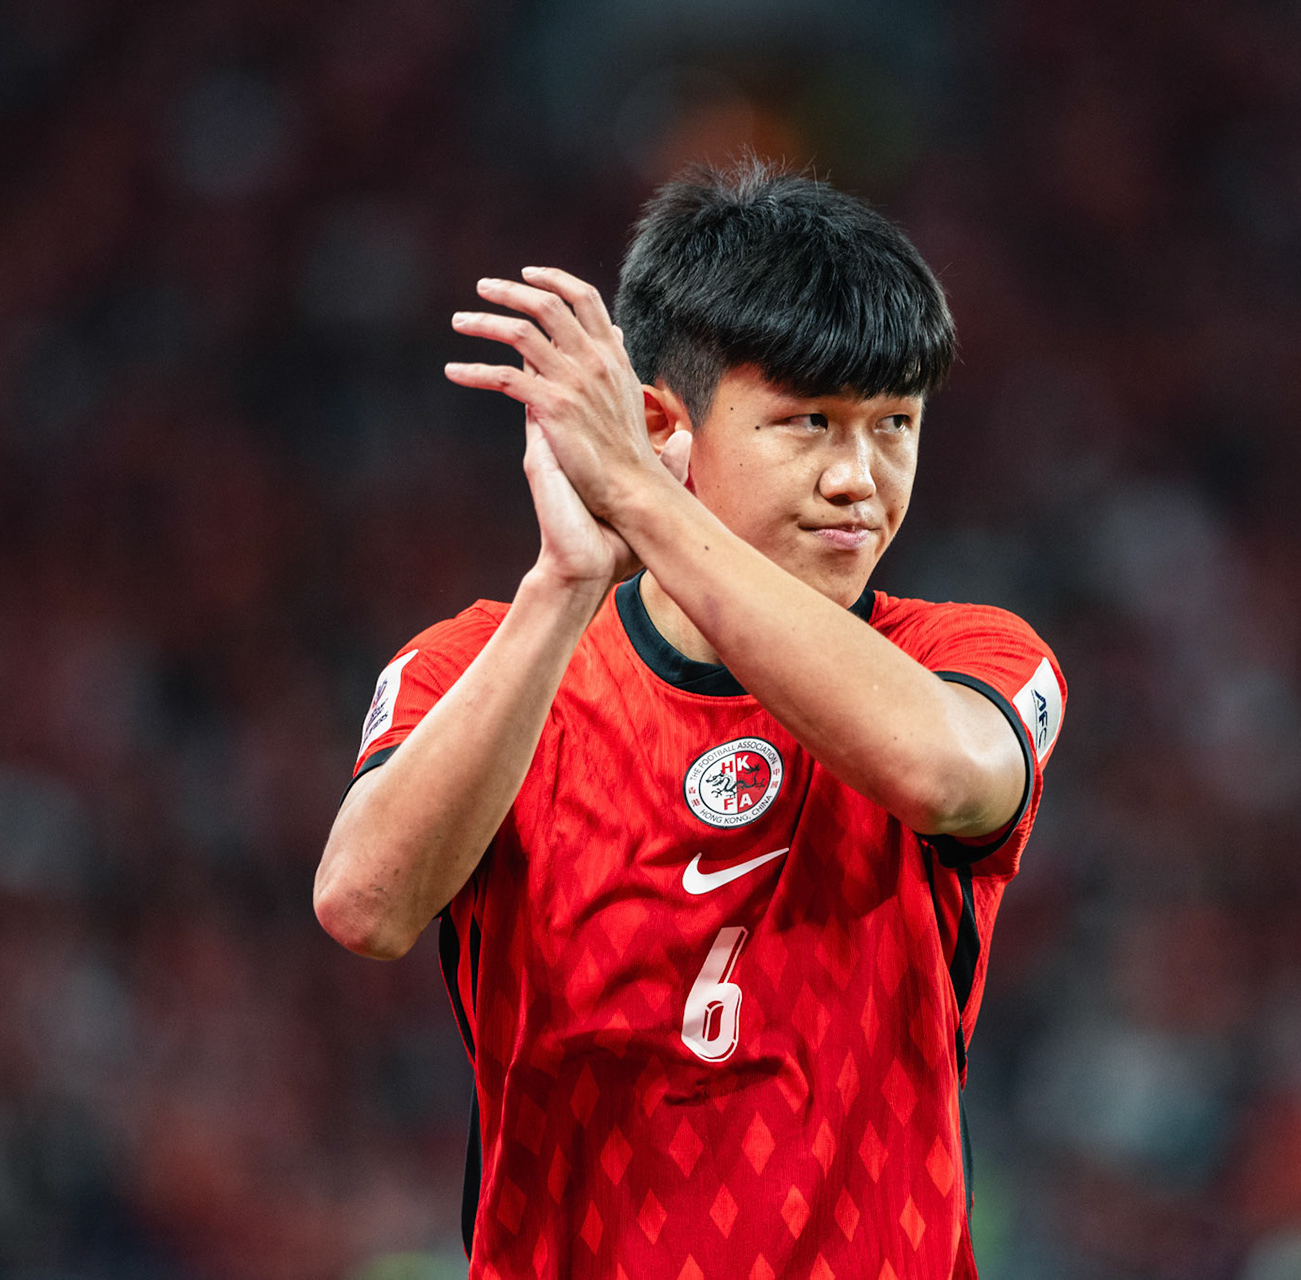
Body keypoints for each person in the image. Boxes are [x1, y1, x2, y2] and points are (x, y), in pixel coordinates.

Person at [314, 160, 1065, 1280]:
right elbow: (365, 904)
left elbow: (941, 773)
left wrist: (641, 501)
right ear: (664, 422)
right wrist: (563, 585)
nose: (860, 476)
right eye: (808, 421)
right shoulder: (483, 663)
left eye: (893, 423)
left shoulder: (964, 659)